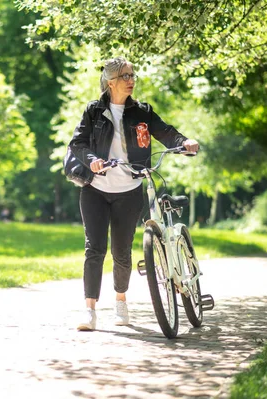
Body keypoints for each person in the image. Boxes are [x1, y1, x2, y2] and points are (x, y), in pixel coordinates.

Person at [68, 57, 199, 331]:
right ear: (110, 81)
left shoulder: (142, 112)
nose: (131, 80)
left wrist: (183, 142)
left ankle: (120, 302)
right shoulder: (94, 111)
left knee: (121, 252)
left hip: (129, 190)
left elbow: (166, 132)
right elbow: (77, 143)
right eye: (125, 76)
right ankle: (89, 311)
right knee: (94, 249)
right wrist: (91, 158)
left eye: (132, 75)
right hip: (95, 189)